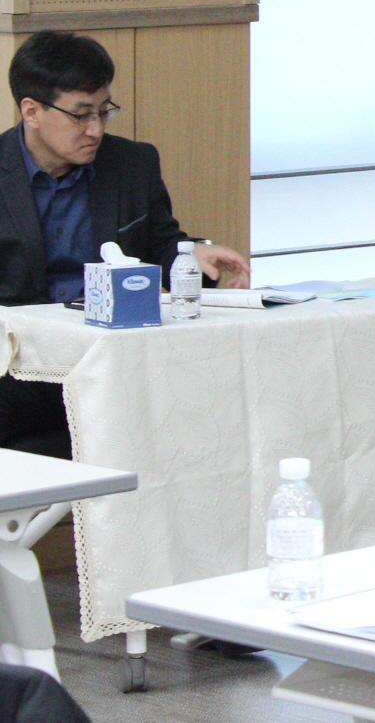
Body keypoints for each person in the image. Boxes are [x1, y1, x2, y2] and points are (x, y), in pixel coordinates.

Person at [0, 32, 250, 456]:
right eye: (81, 115)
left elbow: (161, 245)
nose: (95, 129)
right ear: (32, 111)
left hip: (116, 356)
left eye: (104, 112)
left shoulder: (132, 163)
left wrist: (193, 254)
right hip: (19, 363)